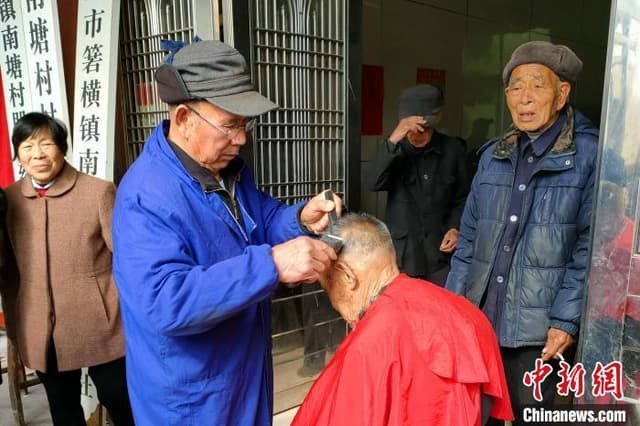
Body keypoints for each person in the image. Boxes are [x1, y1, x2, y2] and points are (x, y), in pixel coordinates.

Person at [112, 39, 341, 425]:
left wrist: (301, 218)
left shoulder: (228, 170)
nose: (241, 139)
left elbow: (263, 220)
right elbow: (166, 301)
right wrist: (271, 265)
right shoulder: (145, 195)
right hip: (193, 398)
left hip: (243, 371)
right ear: (183, 118)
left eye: (245, 124)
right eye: (230, 125)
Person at [445, 41, 599, 424]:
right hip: (481, 320)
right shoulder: (493, 156)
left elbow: (590, 247)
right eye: (515, 87)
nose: (524, 97)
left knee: (533, 416)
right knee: (476, 415)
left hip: (538, 332)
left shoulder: (589, 157)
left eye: (537, 85)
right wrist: (454, 306)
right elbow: (469, 238)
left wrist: (565, 320)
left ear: (562, 94)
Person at [293, 213, 513, 425]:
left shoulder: (367, 345)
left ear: (348, 276)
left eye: (328, 288)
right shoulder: (468, 312)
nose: (333, 302)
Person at [3, 112, 134, 425]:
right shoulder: (9, 199)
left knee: (119, 398)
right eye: (27, 146)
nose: (37, 154)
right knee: (62, 410)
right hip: (41, 328)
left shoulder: (98, 192)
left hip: (103, 321)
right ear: (17, 153)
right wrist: (17, 327)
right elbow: (8, 271)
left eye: (46, 144)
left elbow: (127, 259)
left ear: (62, 148)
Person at [368, 84, 469, 285]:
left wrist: (455, 227)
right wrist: (394, 138)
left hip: (440, 253)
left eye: (424, 131)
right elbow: (372, 182)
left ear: (437, 120)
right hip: (404, 254)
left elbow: (464, 197)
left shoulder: (453, 150)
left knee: (440, 301)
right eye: (411, 131)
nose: (417, 137)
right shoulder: (393, 150)